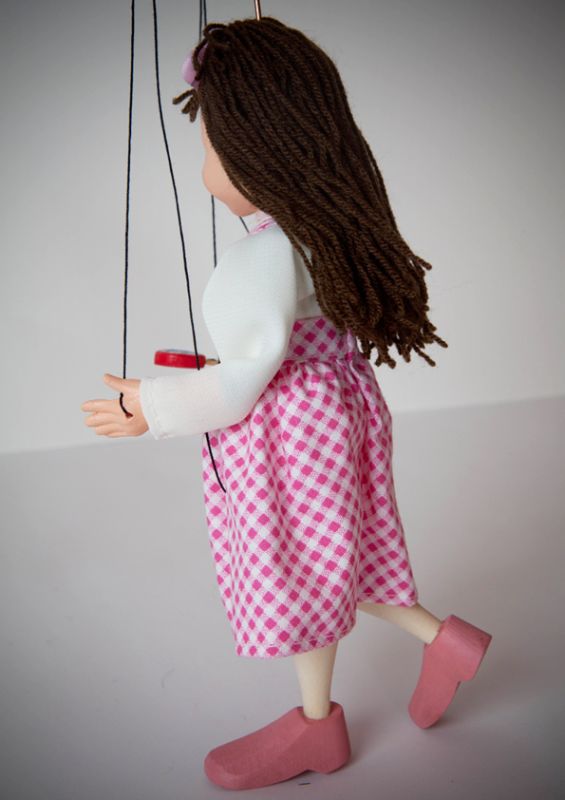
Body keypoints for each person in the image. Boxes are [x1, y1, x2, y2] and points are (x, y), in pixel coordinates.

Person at [81, 16, 492, 791]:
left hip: (289, 434)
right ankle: (441, 642)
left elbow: (243, 383)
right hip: (336, 407)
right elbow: (286, 345)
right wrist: (224, 368)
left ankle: (316, 725)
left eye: (210, 145)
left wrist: (152, 409)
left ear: (255, 149)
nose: (206, 163)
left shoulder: (262, 255)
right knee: (340, 554)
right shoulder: (325, 230)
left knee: (302, 570)